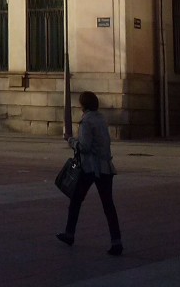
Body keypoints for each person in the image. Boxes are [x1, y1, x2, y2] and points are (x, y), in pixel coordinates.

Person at [56, 91, 123, 256]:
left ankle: (69, 233)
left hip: (90, 168)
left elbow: (84, 146)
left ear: (83, 105)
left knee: (76, 200)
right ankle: (117, 241)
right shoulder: (101, 119)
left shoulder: (86, 121)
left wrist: (71, 140)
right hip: (106, 167)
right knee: (108, 205)